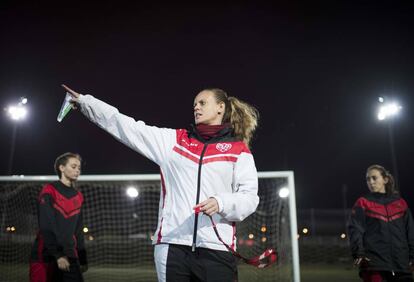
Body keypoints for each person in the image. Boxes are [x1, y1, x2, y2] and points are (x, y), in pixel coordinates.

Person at [61, 84, 260, 282]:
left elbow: (249, 198)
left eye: (202, 103)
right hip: (171, 246)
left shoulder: (238, 150)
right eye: (194, 105)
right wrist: (86, 102)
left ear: (220, 107)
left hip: (217, 250)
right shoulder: (175, 141)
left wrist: (222, 202)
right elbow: (126, 126)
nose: (196, 108)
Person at [348, 164, 414, 282]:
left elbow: (410, 232)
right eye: (368, 179)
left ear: (385, 179)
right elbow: (355, 229)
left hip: (402, 266)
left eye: (374, 178)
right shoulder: (363, 202)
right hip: (374, 266)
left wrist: (412, 256)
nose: (371, 182)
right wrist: (358, 252)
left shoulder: (400, 203)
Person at [29, 152, 88, 282]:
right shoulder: (49, 191)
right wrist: (58, 254)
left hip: (70, 255)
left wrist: (82, 257)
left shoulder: (78, 196)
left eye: (79, 168)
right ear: (62, 168)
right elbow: (46, 226)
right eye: (73, 167)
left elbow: (78, 230)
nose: (77, 170)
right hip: (46, 254)